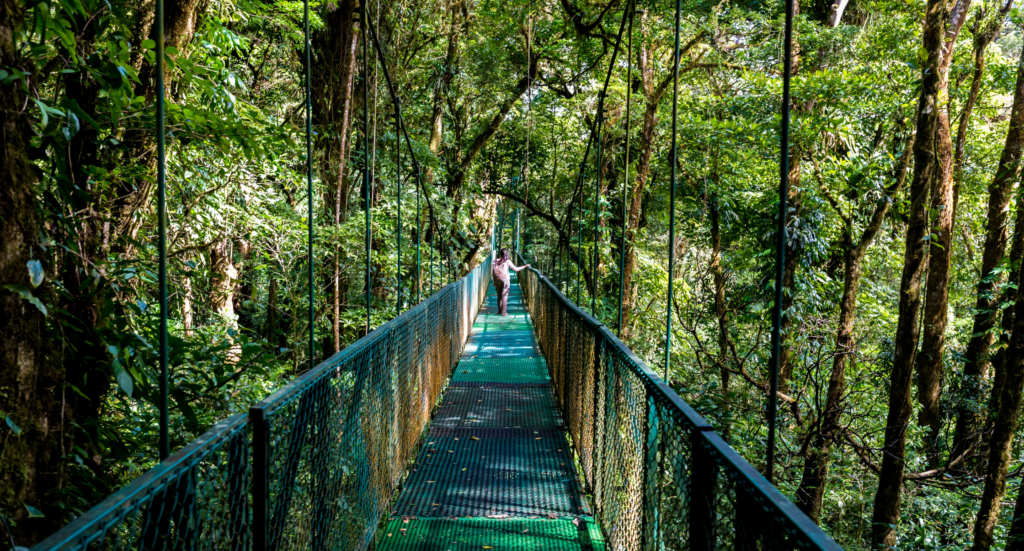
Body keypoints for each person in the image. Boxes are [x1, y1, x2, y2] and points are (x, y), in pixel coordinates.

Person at [492, 248, 529, 316]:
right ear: (507, 254)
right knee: (504, 296)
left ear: (500, 254)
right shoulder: (507, 261)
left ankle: (499, 311)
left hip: (497, 281)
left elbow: (493, 271)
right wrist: (524, 266)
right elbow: (515, 269)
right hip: (505, 280)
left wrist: (494, 281)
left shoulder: (495, 261)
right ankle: (504, 313)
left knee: (499, 296)